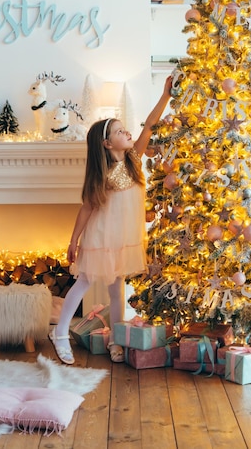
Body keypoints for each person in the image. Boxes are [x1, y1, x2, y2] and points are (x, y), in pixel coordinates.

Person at [49, 76, 172, 364]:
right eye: (119, 131)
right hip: (100, 237)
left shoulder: (133, 162)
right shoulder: (105, 176)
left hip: (124, 238)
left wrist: (165, 95)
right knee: (84, 283)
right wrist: (73, 241)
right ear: (106, 143)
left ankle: (116, 340)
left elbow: (150, 125)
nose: (127, 132)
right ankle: (61, 332)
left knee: (118, 290)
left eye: (124, 128)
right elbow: (87, 209)